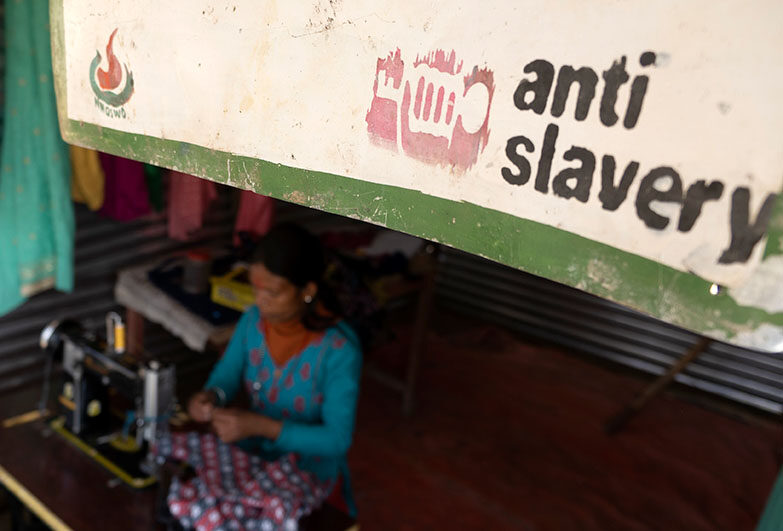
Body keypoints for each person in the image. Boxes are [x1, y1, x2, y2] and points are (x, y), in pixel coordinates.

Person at [186, 224, 362, 517]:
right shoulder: (253, 321)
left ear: (307, 291)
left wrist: (261, 426)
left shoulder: (339, 350)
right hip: (254, 459)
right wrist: (210, 398)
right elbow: (226, 376)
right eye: (256, 288)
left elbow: (337, 438)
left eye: (273, 292)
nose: (260, 300)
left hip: (310, 473)